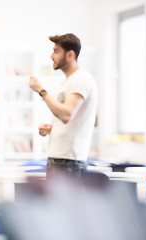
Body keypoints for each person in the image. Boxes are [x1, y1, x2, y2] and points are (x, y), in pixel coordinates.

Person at [29, 33, 98, 178]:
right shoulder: (70, 80)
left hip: (68, 162)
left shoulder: (81, 78)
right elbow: (69, 117)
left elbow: (67, 114)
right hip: (62, 160)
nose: (51, 56)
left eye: (56, 51)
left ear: (70, 55)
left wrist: (41, 91)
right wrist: (53, 129)